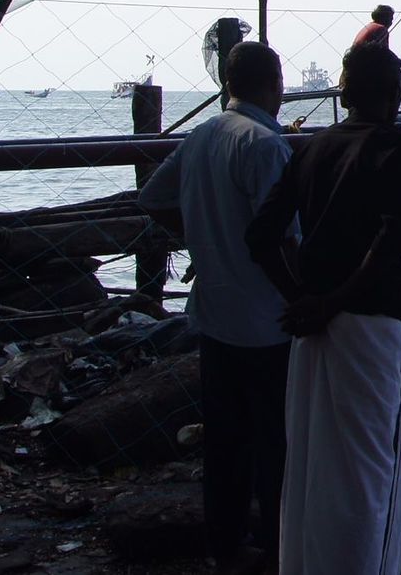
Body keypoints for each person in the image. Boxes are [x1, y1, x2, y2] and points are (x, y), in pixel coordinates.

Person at [246, 43, 401, 575]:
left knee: (311, 463)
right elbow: (389, 240)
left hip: (313, 328)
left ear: (345, 94)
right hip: (372, 324)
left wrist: (302, 298)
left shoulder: (311, 149)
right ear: (394, 93)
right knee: (374, 468)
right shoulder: (400, 149)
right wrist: (331, 302)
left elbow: (260, 237)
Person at [137, 41, 292, 573]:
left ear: (228, 83)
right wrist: (303, 295)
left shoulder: (202, 135)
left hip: (215, 313)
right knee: (277, 441)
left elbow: (152, 198)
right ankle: (279, 544)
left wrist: (202, 237)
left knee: (225, 439)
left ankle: (225, 543)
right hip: (267, 319)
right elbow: (279, 238)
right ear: (276, 84)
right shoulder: (265, 145)